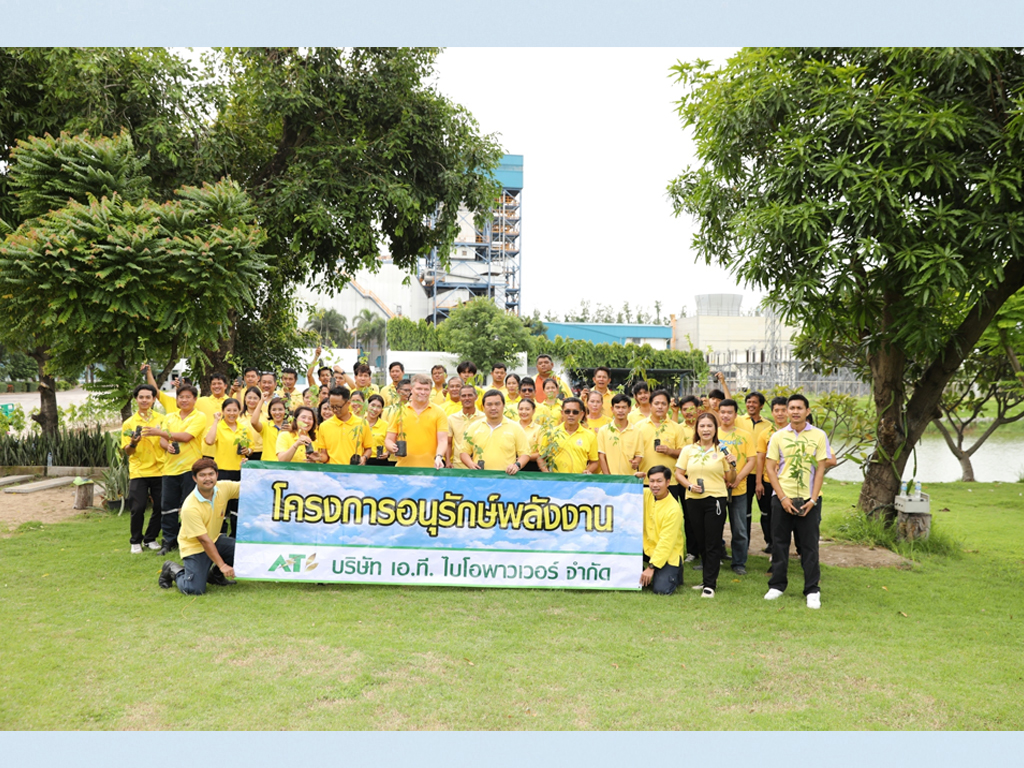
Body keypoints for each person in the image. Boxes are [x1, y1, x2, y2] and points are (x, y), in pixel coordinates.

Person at [764, 394, 833, 609]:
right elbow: (770, 467)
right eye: (791, 408)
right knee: (779, 543)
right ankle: (777, 585)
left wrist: (813, 499)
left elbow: (820, 468)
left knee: (809, 546)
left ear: (807, 411)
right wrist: (782, 497)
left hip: (809, 499)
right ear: (786, 411)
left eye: (799, 408)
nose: (794, 411)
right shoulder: (778, 437)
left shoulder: (819, 435)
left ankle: (812, 590)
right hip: (782, 498)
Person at [675, 411, 736, 599]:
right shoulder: (688, 450)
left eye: (710, 426)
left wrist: (733, 465)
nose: (706, 429)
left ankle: (710, 584)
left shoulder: (722, 450)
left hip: (715, 499)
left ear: (715, 429)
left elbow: (731, 479)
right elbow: (678, 473)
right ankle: (706, 579)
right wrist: (689, 485)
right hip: (693, 499)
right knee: (700, 540)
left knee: (712, 541)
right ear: (697, 429)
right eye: (702, 426)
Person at [158, 458, 239, 595]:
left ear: (217, 475)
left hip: (215, 539)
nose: (207, 479)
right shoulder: (190, 507)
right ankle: (173, 569)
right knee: (194, 589)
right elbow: (203, 540)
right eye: (202, 475)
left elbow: (250, 485)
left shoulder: (223, 488)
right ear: (195, 478)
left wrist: (248, 469)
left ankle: (216, 576)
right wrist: (222, 565)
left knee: (241, 549)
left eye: (211, 474)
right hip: (195, 547)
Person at [147, 384, 208, 555]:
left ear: (195, 399)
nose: (184, 400)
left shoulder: (199, 416)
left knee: (188, 508)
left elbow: (187, 437)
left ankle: (188, 539)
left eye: (188, 397)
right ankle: (168, 541)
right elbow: (163, 442)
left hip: (190, 469)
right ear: (177, 400)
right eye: (181, 397)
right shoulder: (170, 417)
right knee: (168, 507)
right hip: (170, 469)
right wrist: (167, 447)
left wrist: (160, 434)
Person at [121, 384, 165, 553]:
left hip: (160, 469)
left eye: (148, 397)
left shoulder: (162, 420)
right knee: (137, 507)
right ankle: (135, 541)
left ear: (154, 399)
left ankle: (151, 538)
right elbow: (128, 451)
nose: (145, 400)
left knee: (161, 506)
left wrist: (160, 434)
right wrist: (134, 442)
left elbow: (168, 441)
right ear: (136, 399)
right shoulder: (129, 423)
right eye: (141, 397)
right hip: (139, 470)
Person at [203, 397, 255, 536]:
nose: (232, 413)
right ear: (223, 411)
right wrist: (215, 421)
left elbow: (251, 448)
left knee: (237, 506)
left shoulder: (244, 428)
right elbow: (209, 441)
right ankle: (219, 534)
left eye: (235, 410)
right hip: (222, 471)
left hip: (239, 471)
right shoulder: (218, 427)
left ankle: (236, 535)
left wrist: (247, 451)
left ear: (239, 411)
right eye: (228, 410)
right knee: (220, 506)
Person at [716, 399, 757, 576]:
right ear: (718, 413)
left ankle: (739, 562)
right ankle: (713, 558)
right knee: (714, 527)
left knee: (739, 528)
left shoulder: (745, 435)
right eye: (722, 412)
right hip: (717, 488)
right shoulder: (711, 433)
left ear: (735, 414)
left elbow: (752, 460)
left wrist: (739, 478)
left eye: (729, 412)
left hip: (739, 489)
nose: (725, 415)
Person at [385, 374, 448, 469]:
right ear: (411, 389)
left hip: (431, 469)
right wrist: (392, 447)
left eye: (426, 389)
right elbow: (389, 439)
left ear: (430, 391)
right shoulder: (399, 411)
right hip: (403, 469)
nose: (422, 392)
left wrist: (439, 456)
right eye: (419, 389)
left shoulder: (439, 412)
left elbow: (443, 440)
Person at [461, 390, 531, 474]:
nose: (493, 408)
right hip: (480, 478)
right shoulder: (474, 427)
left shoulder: (516, 427)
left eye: (497, 404)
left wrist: (516, 465)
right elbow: (464, 452)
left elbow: (525, 454)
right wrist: (470, 464)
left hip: (506, 479)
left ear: (503, 405)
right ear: (483, 406)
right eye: (489, 404)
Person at [640, 465, 685, 595]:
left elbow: (666, 543)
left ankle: (675, 571)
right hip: (647, 547)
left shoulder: (673, 509)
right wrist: (634, 480)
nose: (655, 485)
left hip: (667, 553)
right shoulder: (646, 493)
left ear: (668, 482)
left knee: (661, 590)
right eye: (651, 481)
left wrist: (651, 567)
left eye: (659, 481)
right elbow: (626, 491)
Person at [755, 396, 790, 562]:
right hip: (769, 481)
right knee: (769, 515)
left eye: (784, 410)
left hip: (788, 482)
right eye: (777, 410)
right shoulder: (765, 434)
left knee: (786, 516)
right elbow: (760, 458)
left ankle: (785, 547)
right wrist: (759, 482)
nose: (780, 414)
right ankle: (772, 544)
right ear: (772, 413)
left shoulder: (794, 433)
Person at [537, 397, 598, 474]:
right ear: (562, 413)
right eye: (567, 411)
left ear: (581, 414)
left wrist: (587, 471)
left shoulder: (590, 436)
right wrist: (547, 473)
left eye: (575, 412)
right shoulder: (551, 433)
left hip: (578, 482)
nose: (571, 415)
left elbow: (594, 462)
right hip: (557, 482)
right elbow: (541, 457)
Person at [315, 387, 373, 465]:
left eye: (338, 407)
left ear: (348, 403)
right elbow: (325, 455)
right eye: (332, 407)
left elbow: (368, 449)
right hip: (333, 471)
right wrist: (319, 458)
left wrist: (364, 458)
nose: (335, 410)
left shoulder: (362, 423)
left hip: (354, 470)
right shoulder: (324, 426)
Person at [597, 393, 642, 476]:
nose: (620, 410)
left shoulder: (636, 431)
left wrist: (636, 462)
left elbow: (639, 455)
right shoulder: (603, 430)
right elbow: (601, 457)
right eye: (617, 407)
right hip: (609, 479)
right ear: (612, 409)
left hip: (629, 479)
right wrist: (608, 477)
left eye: (624, 407)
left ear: (629, 409)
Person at [447, 384, 484, 469]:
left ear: (476, 397)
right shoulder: (452, 418)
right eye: (463, 396)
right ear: (459, 398)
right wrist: (448, 461)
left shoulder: (484, 418)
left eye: (470, 395)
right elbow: (448, 443)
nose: (467, 398)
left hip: (480, 465)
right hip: (458, 466)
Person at [515, 398, 542, 472]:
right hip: (512, 466)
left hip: (532, 468)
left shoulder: (539, 429)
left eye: (527, 409)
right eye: (521, 409)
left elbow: (541, 454)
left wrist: (524, 458)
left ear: (533, 411)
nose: (524, 412)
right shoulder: (512, 427)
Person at [240, 387, 266, 460]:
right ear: (245, 398)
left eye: (255, 398)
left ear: (260, 400)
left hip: (262, 452)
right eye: (249, 398)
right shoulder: (238, 417)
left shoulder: (267, 417)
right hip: (243, 453)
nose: (252, 401)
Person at [364, 394, 391, 466]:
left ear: (382, 410)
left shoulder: (386, 425)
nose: (375, 409)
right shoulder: (359, 423)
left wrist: (387, 453)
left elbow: (391, 442)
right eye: (372, 405)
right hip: (362, 460)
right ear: (367, 406)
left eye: (378, 407)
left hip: (380, 462)